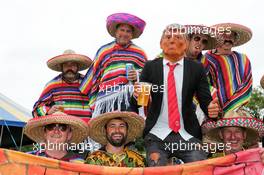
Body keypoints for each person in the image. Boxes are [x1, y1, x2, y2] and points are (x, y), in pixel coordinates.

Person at [130, 23, 220, 166]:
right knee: (157, 168)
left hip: (188, 134)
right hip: (156, 134)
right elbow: (139, 102)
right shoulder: (150, 67)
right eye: (168, 37)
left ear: (185, 44)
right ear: (161, 43)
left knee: (199, 168)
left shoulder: (196, 69)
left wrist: (212, 110)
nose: (172, 40)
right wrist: (136, 96)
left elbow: (205, 101)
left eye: (178, 37)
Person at [79, 13, 147, 118]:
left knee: (129, 129)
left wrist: (137, 75)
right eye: (122, 30)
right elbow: (94, 75)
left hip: (130, 99)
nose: (124, 34)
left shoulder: (140, 53)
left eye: (128, 31)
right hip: (106, 100)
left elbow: (147, 79)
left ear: (132, 35)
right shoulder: (104, 50)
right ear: (116, 32)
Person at [204, 23, 253, 113]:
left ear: (235, 39)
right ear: (216, 38)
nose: (228, 39)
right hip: (214, 109)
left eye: (231, 35)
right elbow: (202, 83)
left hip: (238, 109)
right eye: (224, 35)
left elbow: (247, 84)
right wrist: (214, 101)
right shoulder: (207, 58)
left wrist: (234, 106)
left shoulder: (243, 59)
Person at [32, 49, 92, 119]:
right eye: (66, 65)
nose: (69, 68)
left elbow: (98, 103)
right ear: (61, 67)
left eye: (73, 64)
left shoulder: (88, 83)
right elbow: (36, 109)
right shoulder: (52, 85)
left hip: (85, 128)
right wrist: (48, 111)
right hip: (62, 129)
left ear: (77, 66)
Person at [24, 112, 89, 162]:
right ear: (45, 133)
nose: (56, 131)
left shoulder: (80, 164)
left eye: (62, 127)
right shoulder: (27, 159)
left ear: (69, 135)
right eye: (51, 126)